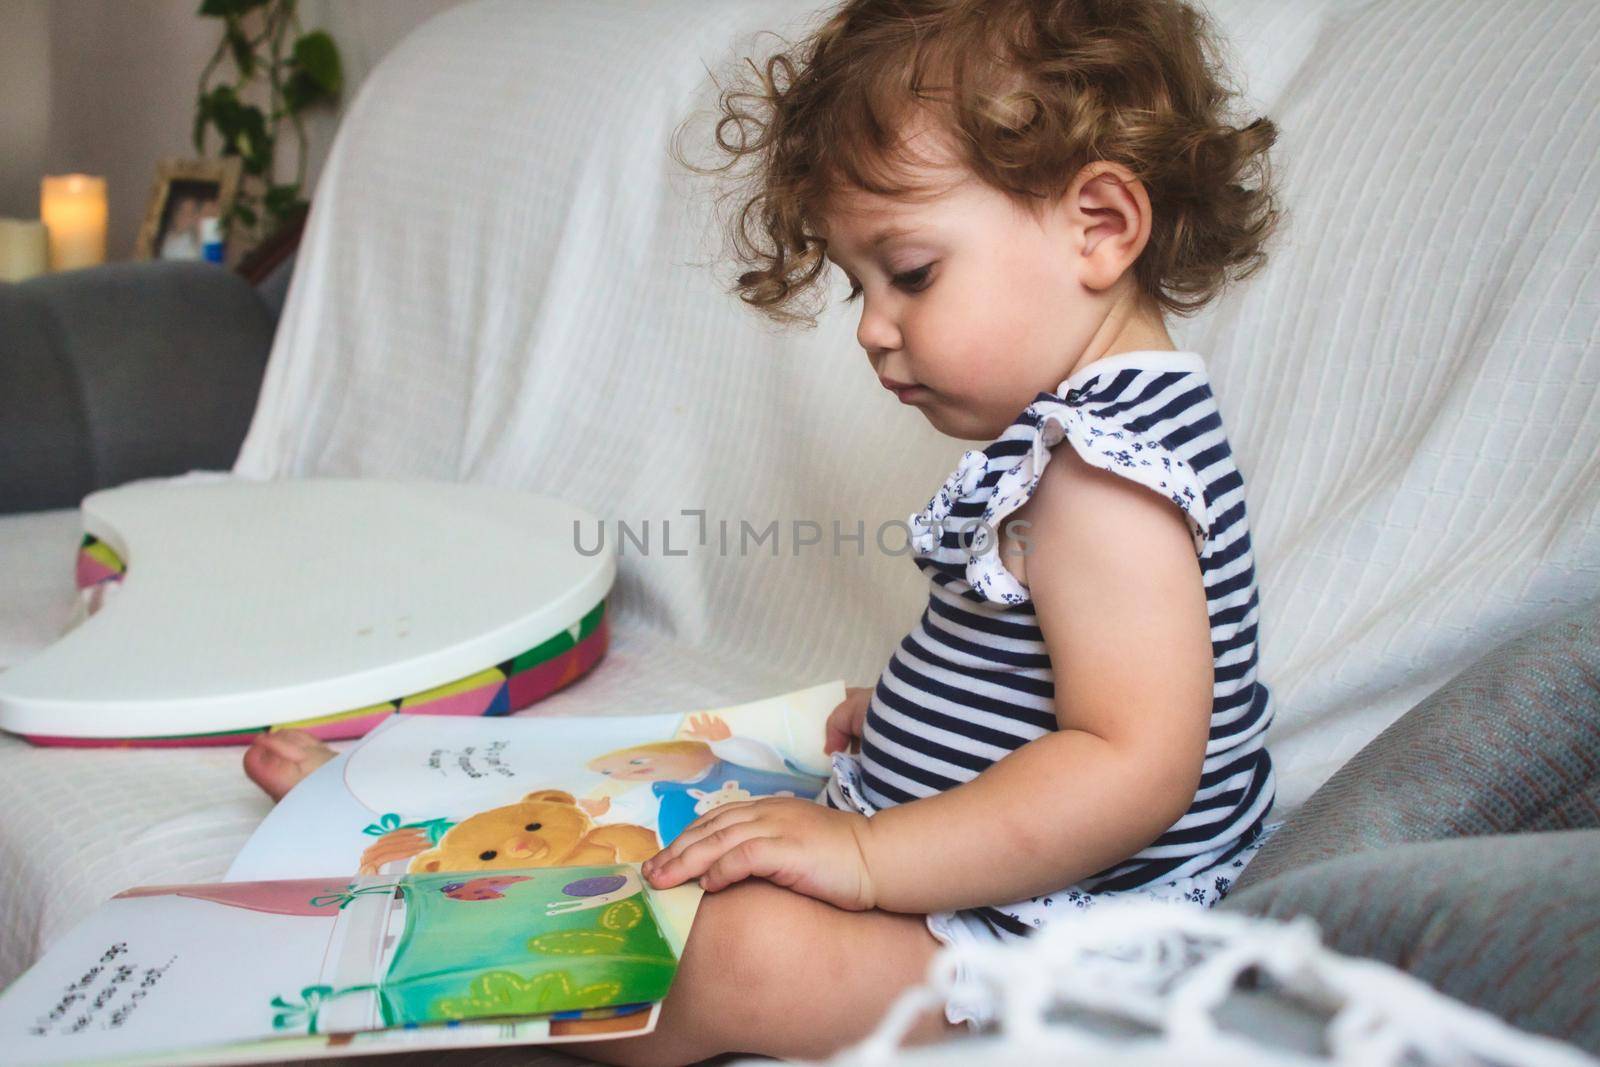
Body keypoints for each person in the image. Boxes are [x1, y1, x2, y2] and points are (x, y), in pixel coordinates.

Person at [242, 0, 1283, 1061]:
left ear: (1098, 225)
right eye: (857, 284)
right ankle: (407, 820)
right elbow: (1064, 668)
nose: (874, 329)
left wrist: (870, 857)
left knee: (731, 952)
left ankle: (424, 930)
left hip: (1055, 929)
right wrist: (921, 710)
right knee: (678, 803)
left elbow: (1131, 764)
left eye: (911, 272)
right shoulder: (1089, 432)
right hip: (988, 869)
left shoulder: (1105, 476)